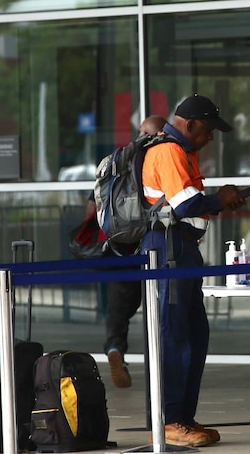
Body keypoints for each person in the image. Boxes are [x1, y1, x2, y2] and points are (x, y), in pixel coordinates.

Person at [141, 95, 246, 447]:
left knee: (194, 334)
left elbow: (185, 204)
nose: (211, 137)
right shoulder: (169, 150)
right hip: (169, 250)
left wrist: (219, 200)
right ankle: (170, 421)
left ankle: (183, 417)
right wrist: (221, 196)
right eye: (208, 129)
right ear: (189, 124)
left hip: (182, 250)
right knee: (175, 335)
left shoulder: (182, 152)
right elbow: (186, 204)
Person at [104, 114, 168, 389]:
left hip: (123, 244)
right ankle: (159, 363)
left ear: (142, 131)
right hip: (153, 242)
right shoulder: (161, 156)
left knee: (120, 307)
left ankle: (115, 348)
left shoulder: (122, 159)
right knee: (158, 307)